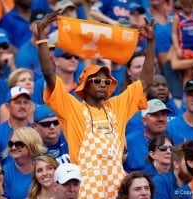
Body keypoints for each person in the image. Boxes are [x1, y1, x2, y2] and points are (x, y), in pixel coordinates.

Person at [37, 10, 155, 199]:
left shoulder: (118, 106)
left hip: (118, 190)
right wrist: (42, 38)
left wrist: (150, 43)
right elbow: (49, 75)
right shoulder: (72, 108)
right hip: (85, 192)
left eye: (107, 82)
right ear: (85, 84)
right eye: (97, 81)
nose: (103, 84)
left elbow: (146, 82)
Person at [0, 86, 32, 165]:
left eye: (25, 102)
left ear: (30, 105)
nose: (22, 106)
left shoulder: (36, 131)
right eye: (17, 102)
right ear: (7, 106)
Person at [124, 99, 172, 173]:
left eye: (163, 114)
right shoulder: (129, 141)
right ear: (144, 120)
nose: (161, 119)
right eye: (155, 115)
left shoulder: (178, 140)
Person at [3, 127, 46, 199]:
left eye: (19, 144)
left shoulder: (45, 170)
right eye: (11, 144)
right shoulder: (5, 171)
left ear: (31, 145)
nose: (13, 147)